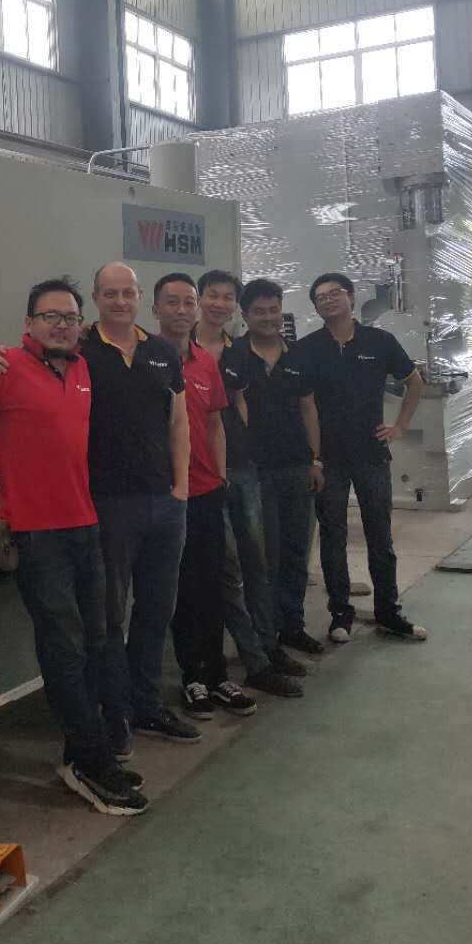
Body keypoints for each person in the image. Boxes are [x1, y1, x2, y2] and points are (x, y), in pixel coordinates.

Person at [0, 262, 200, 759]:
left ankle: (139, 708)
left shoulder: (142, 355)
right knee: (92, 629)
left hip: (145, 506)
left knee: (145, 614)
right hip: (95, 511)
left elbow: (178, 421)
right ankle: (103, 729)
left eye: (128, 293)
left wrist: (181, 490)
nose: (120, 301)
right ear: (97, 302)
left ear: (139, 298)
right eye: (110, 293)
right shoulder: (73, 355)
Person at [0, 277, 148, 817]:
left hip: (85, 524)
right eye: (49, 316)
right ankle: (90, 763)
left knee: (98, 641)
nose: (60, 325)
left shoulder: (82, 370)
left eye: (69, 317)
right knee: (65, 648)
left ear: (81, 325)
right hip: (35, 534)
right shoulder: (2, 368)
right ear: (28, 323)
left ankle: (86, 753)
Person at [296, 272, 428, 645]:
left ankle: (389, 613)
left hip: (371, 455)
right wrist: (314, 457)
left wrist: (399, 427)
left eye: (335, 293)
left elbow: (414, 382)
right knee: (332, 537)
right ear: (316, 307)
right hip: (329, 460)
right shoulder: (308, 348)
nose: (328, 300)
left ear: (352, 298)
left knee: (379, 535)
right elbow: (304, 405)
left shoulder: (379, 342)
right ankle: (340, 614)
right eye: (320, 297)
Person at [194, 271, 308, 696]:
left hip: (243, 471)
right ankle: (253, 660)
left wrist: (246, 452)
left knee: (257, 566)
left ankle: (268, 647)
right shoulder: (175, 350)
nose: (219, 304)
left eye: (227, 297)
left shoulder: (237, 352)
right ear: (200, 299)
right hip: (201, 475)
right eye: (212, 296)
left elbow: (239, 404)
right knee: (227, 571)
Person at [154, 272, 255, 719]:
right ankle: (191, 676)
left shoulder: (205, 363)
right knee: (181, 589)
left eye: (187, 302)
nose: (181, 310)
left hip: (207, 491)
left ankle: (217, 675)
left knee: (213, 584)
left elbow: (215, 422)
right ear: (155, 309)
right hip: (165, 495)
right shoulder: (145, 359)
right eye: (171, 302)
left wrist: (219, 475)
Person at [236, 278, 326, 658]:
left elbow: (308, 409)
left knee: (295, 552)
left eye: (273, 310)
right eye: (259, 311)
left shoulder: (298, 356)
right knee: (265, 558)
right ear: (245, 315)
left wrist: (315, 460)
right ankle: (267, 635)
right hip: (256, 473)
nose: (268, 317)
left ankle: (293, 626)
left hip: (297, 469)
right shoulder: (235, 355)